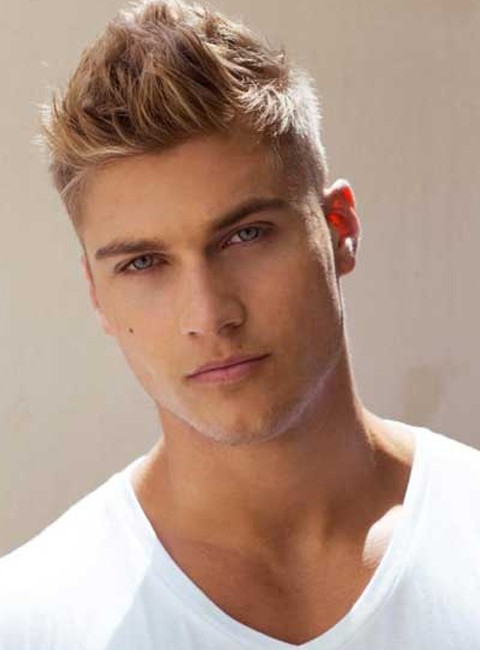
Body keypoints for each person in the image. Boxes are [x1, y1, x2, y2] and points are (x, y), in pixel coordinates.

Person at [1, 0, 479, 647]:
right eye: (143, 263)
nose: (209, 315)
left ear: (339, 228)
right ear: (97, 294)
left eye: (244, 235)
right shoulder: (29, 620)